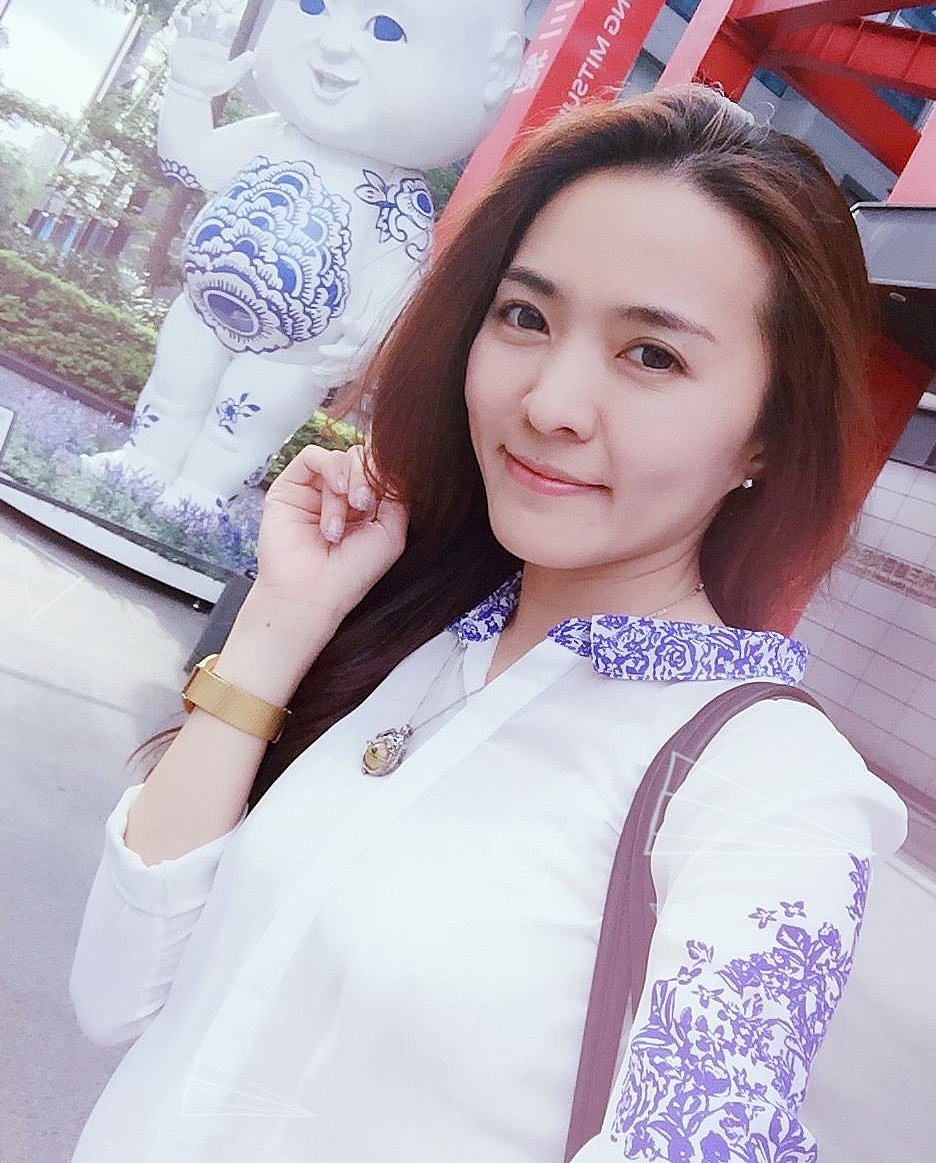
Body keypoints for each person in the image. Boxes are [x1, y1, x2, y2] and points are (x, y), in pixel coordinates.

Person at [69, 85, 906, 1163]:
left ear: (767, 435)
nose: (549, 402)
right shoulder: (422, 640)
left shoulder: (774, 790)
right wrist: (284, 620)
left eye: (653, 356)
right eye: (526, 316)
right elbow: (115, 994)